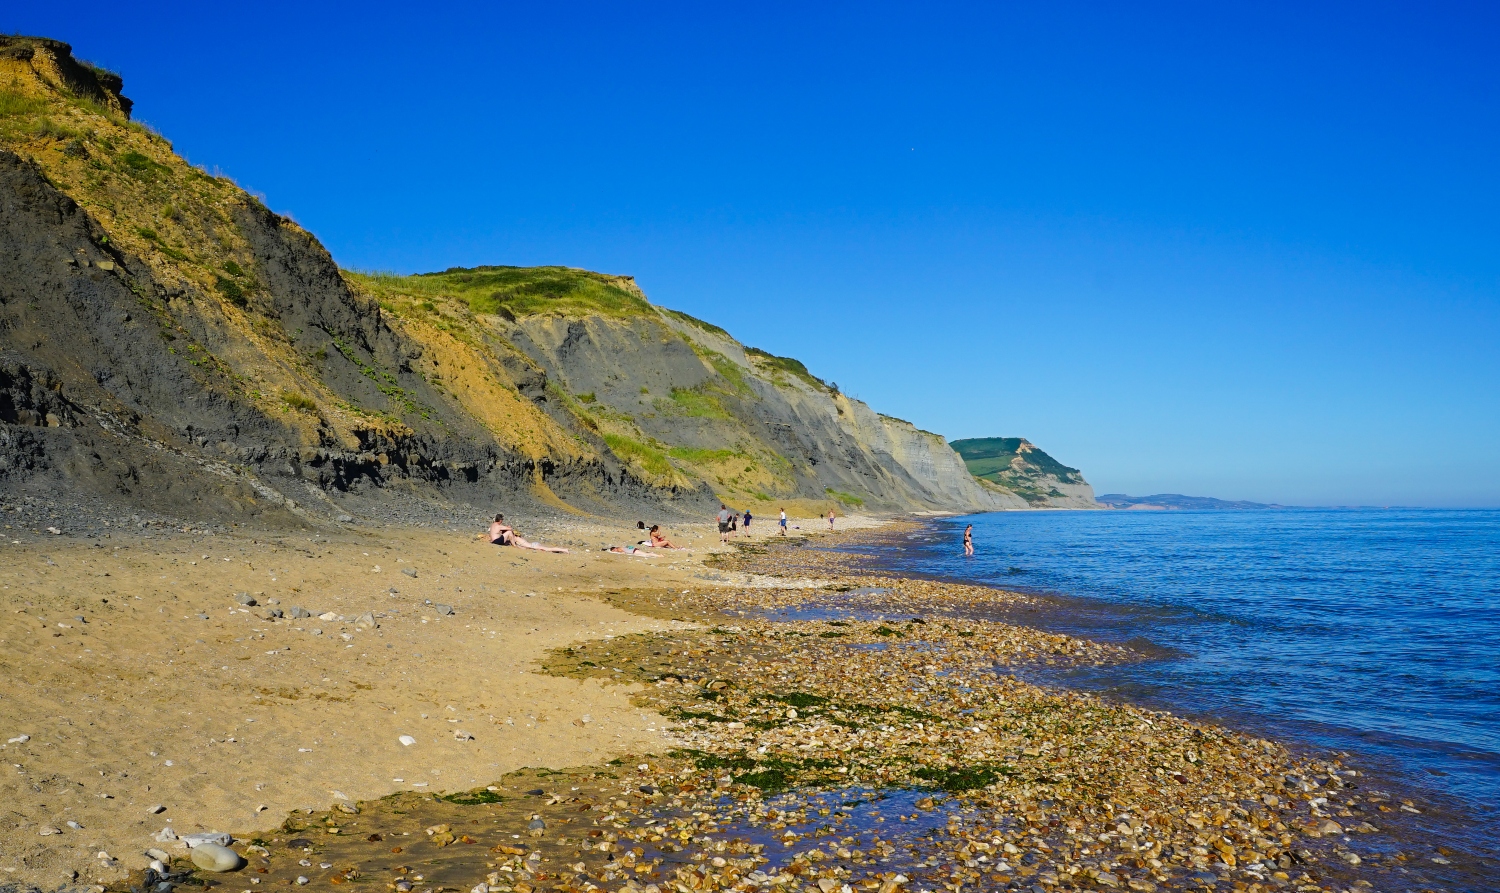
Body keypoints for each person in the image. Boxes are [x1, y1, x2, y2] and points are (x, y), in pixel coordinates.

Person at [487, 513, 569, 553]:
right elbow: (509, 530)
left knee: (546, 549)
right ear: (500, 520)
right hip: (530, 544)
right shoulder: (512, 536)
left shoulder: (494, 525)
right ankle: (563, 550)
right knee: (546, 548)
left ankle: (563, 550)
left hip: (531, 545)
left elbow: (506, 534)